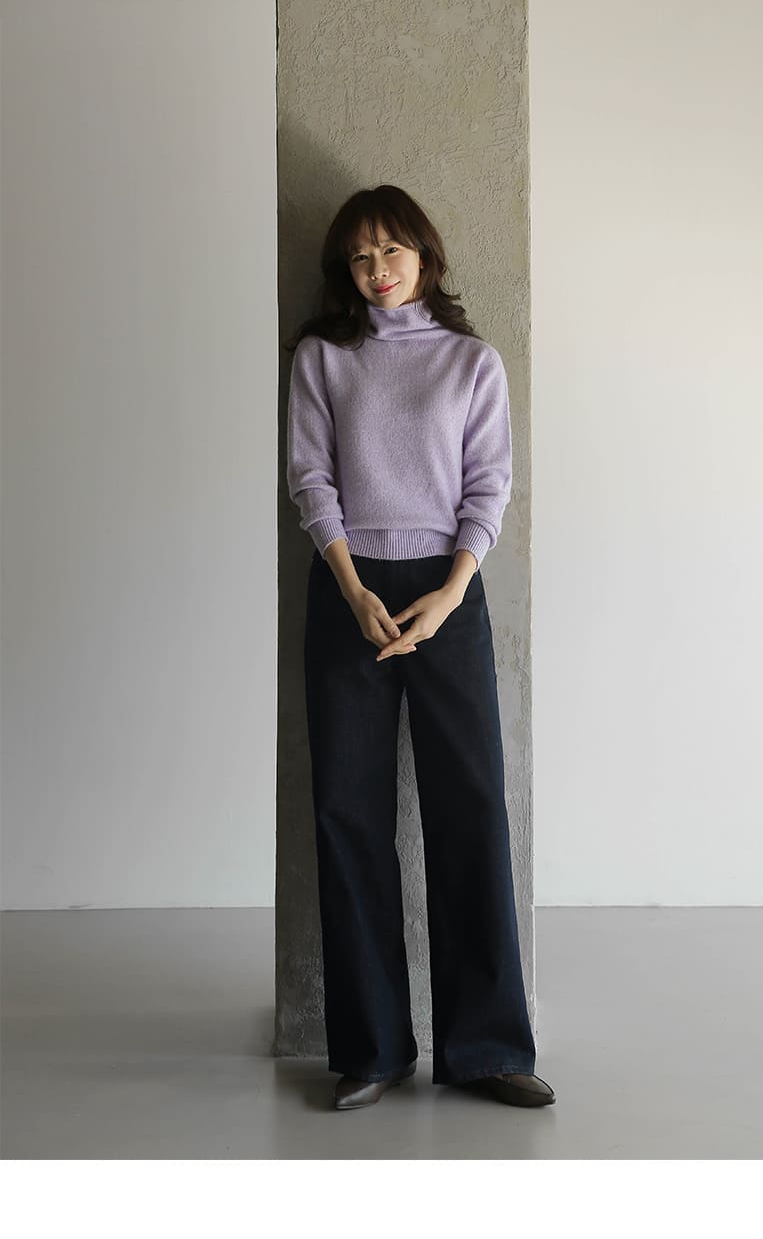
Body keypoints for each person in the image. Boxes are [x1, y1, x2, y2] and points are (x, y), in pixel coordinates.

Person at [285, 184, 555, 1112]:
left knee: (470, 805)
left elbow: (489, 485)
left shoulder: (472, 363)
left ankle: (486, 1049)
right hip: (348, 591)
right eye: (361, 257)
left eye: (392, 251)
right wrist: (353, 586)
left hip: (449, 590)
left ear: (426, 257)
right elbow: (310, 475)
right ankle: (373, 1049)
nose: (378, 270)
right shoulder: (323, 358)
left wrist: (449, 591)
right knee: (347, 813)